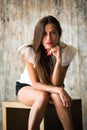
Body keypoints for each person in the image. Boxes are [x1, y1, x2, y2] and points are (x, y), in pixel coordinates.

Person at [16, 15, 77, 130]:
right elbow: (35, 84)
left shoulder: (66, 51)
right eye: (44, 33)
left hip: (52, 88)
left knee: (57, 96)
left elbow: (56, 84)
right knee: (43, 95)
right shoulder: (30, 51)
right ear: (39, 35)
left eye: (53, 33)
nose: (48, 38)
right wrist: (59, 90)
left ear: (58, 34)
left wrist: (59, 60)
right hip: (28, 87)